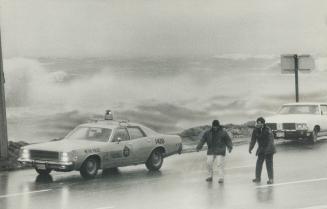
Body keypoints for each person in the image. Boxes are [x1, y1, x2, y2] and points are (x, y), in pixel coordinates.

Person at [249, 117, 276, 184]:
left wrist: (268, 150)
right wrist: (250, 148)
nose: (257, 124)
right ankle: (258, 178)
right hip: (261, 148)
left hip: (269, 148)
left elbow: (271, 140)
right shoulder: (255, 130)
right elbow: (253, 140)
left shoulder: (268, 130)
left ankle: (271, 179)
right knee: (258, 164)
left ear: (263, 124)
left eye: (259, 123)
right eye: (257, 123)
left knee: (269, 164)